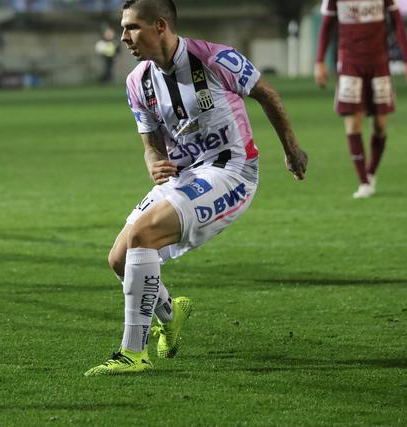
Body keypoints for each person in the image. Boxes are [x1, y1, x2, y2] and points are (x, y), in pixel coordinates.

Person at [84, 0, 308, 376]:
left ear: (160, 26)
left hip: (231, 172)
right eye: (123, 28)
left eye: (132, 27)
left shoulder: (216, 59)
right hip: (185, 176)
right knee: (119, 259)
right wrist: (154, 162)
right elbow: (151, 145)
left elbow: (267, 94)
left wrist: (292, 149)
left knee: (142, 235)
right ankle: (171, 315)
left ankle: (132, 353)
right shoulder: (138, 82)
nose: (123, 37)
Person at [315, 0, 407, 199]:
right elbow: (326, 25)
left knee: (380, 125)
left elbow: (397, 21)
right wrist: (319, 61)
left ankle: (371, 172)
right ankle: (363, 181)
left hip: (379, 63)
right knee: (353, 123)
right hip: (350, 64)